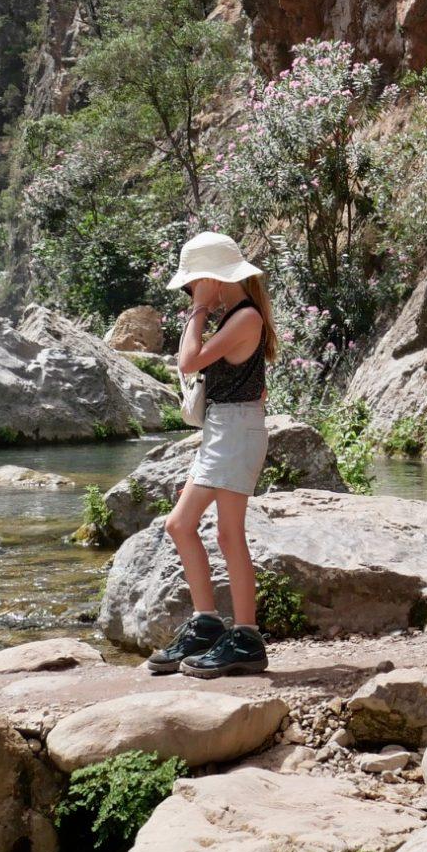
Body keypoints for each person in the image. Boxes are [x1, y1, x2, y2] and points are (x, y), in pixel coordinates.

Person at [147, 231, 279, 678]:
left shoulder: (245, 318)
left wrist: (199, 308)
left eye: (193, 284)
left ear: (214, 280)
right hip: (226, 428)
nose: (190, 293)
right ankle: (210, 625)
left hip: (237, 430)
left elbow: (188, 361)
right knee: (195, 527)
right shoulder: (239, 316)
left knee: (208, 530)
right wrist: (203, 304)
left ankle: (244, 636)